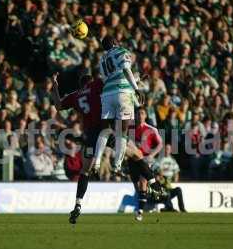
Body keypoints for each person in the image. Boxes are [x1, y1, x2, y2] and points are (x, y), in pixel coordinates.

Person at [51, 73, 164, 224]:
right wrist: (139, 78)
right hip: (106, 131)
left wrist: (55, 86)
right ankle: (153, 182)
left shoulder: (75, 96)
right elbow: (119, 79)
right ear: (90, 81)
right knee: (136, 154)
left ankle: (78, 204)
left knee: (85, 171)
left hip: (90, 136)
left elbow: (58, 106)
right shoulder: (96, 85)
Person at [93, 35, 143, 175]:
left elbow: (110, 77)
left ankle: (96, 161)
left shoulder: (102, 59)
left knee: (105, 129)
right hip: (123, 93)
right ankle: (117, 165)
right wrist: (136, 88)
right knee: (123, 130)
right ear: (115, 42)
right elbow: (126, 70)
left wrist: (136, 78)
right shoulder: (122, 51)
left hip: (108, 94)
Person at [152, 144, 187, 213]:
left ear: (171, 150)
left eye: (168, 149)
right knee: (166, 191)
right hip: (160, 187)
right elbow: (154, 171)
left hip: (168, 185)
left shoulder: (173, 161)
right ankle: (170, 208)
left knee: (178, 190)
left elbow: (176, 171)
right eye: (166, 149)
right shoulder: (159, 160)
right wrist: (158, 176)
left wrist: (176, 178)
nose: (167, 150)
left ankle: (182, 209)